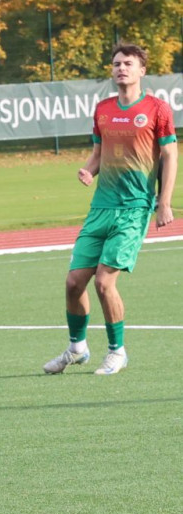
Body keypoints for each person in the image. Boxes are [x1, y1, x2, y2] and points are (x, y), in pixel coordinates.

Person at [43, 43, 176, 375]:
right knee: (74, 282)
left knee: (104, 282)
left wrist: (164, 202)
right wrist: (89, 170)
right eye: (116, 63)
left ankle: (117, 352)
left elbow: (171, 155)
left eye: (128, 63)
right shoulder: (102, 109)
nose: (121, 68)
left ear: (142, 70)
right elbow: (100, 152)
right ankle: (77, 349)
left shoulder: (157, 109)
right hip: (100, 207)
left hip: (133, 209)